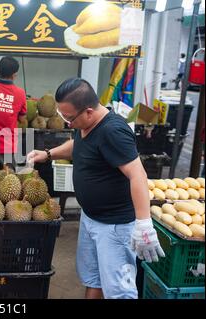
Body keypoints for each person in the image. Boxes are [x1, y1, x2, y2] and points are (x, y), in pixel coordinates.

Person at [27, 78, 165, 299]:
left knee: (119, 291)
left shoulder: (113, 131)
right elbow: (77, 144)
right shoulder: (86, 125)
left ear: (88, 111)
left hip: (115, 227)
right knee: (93, 278)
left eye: (69, 118)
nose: (67, 123)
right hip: (92, 218)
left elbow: (138, 174)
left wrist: (143, 224)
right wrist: (48, 154)